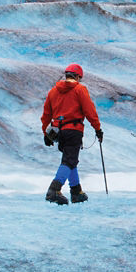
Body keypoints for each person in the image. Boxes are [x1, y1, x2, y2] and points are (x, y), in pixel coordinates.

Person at [40, 63, 102, 205]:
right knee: (69, 160)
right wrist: (97, 129)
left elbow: (46, 114)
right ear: (78, 76)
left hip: (58, 132)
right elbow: (89, 111)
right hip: (74, 130)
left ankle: (76, 191)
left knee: (70, 160)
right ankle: (54, 190)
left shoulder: (53, 91)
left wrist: (45, 132)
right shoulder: (80, 89)